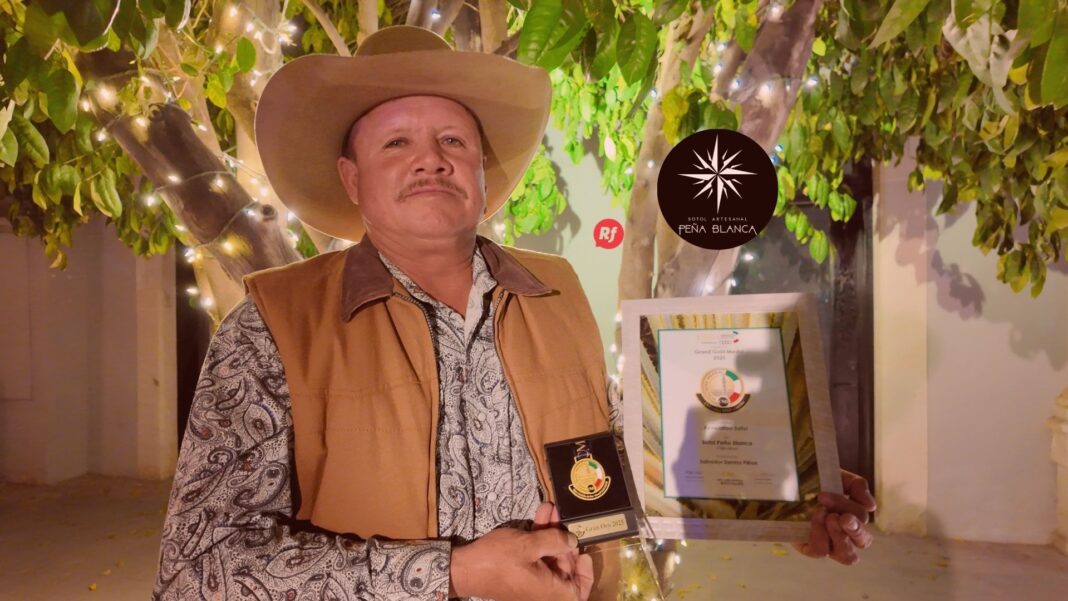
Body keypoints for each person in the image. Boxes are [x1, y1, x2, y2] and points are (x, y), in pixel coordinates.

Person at [152, 25, 876, 601]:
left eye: (453, 141)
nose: (430, 160)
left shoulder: (555, 295)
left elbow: (608, 476)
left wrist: (779, 499)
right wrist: (455, 572)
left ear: (479, 175)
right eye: (397, 141)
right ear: (352, 177)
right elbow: (197, 570)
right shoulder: (273, 325)